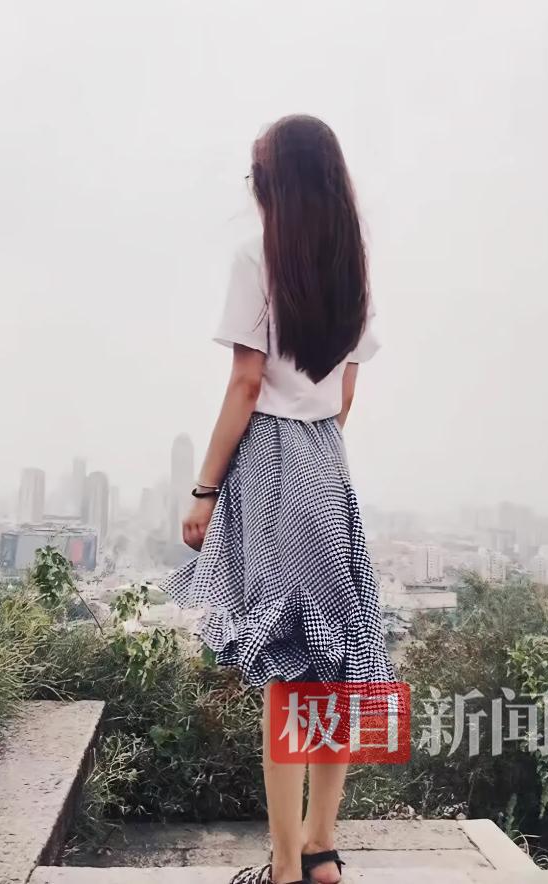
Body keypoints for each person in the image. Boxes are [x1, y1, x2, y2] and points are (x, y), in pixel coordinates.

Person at [161, 114, 396, 884]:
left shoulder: (256, 256)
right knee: (336, 658)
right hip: (329, 462)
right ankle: (323, 850)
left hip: (270, 459)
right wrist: (315, 444)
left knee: (288, 672)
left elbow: (245, 383)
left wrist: (205, 490)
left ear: (274, 183)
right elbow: (347, 392)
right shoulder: (353, 265)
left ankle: (287, 867)